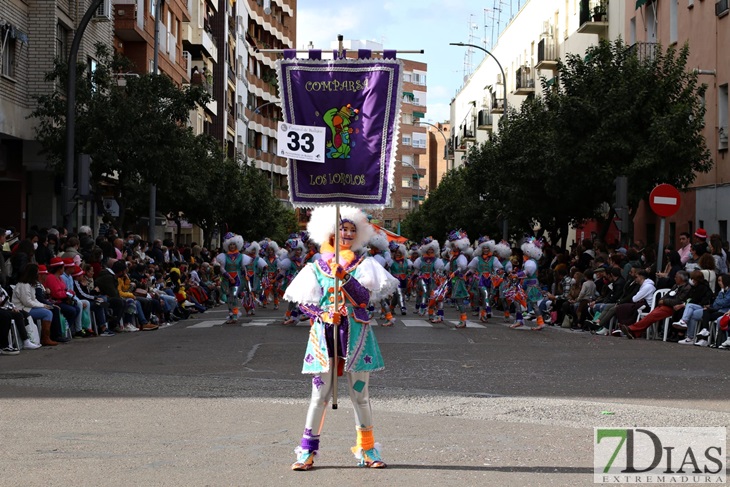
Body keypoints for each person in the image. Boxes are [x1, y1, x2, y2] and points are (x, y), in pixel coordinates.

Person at [283, 206, 398, 471]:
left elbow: (364, 299)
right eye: (342, 229)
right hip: (325, 336)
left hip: (355, 336)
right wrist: (323, 314)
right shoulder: (315, 266)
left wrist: (344, 276)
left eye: (351, 230)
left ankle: (367, 449)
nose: (346, 234)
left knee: (360, 396)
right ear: (331, 232)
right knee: (319, 396)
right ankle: (307, 452)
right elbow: (304, 304)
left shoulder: (364, 264)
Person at [619, 270, 690, 339]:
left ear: (681, 279)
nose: (674, 278)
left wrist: (664, 301)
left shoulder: (686, 288)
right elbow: (666, 295)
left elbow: (678, 301)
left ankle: (632, 329)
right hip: (664, 305)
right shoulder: (675, 286)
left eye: (676, 277)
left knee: (652, 316)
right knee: (651, 316)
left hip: (673, 308)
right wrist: (662, 300)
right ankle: (634, 332)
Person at [216, 233, 246, 324]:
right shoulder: (224, 256)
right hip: (226, 279)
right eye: (230, 245)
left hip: (237, 279)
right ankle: (230, 314)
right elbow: (222, 268)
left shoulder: (241, 256)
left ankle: (235, 315)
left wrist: (246, 277)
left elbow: (243, 268)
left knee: (234, 296)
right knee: (228, 297)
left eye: (233, 244)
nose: (232, 246)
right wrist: (228, 277)